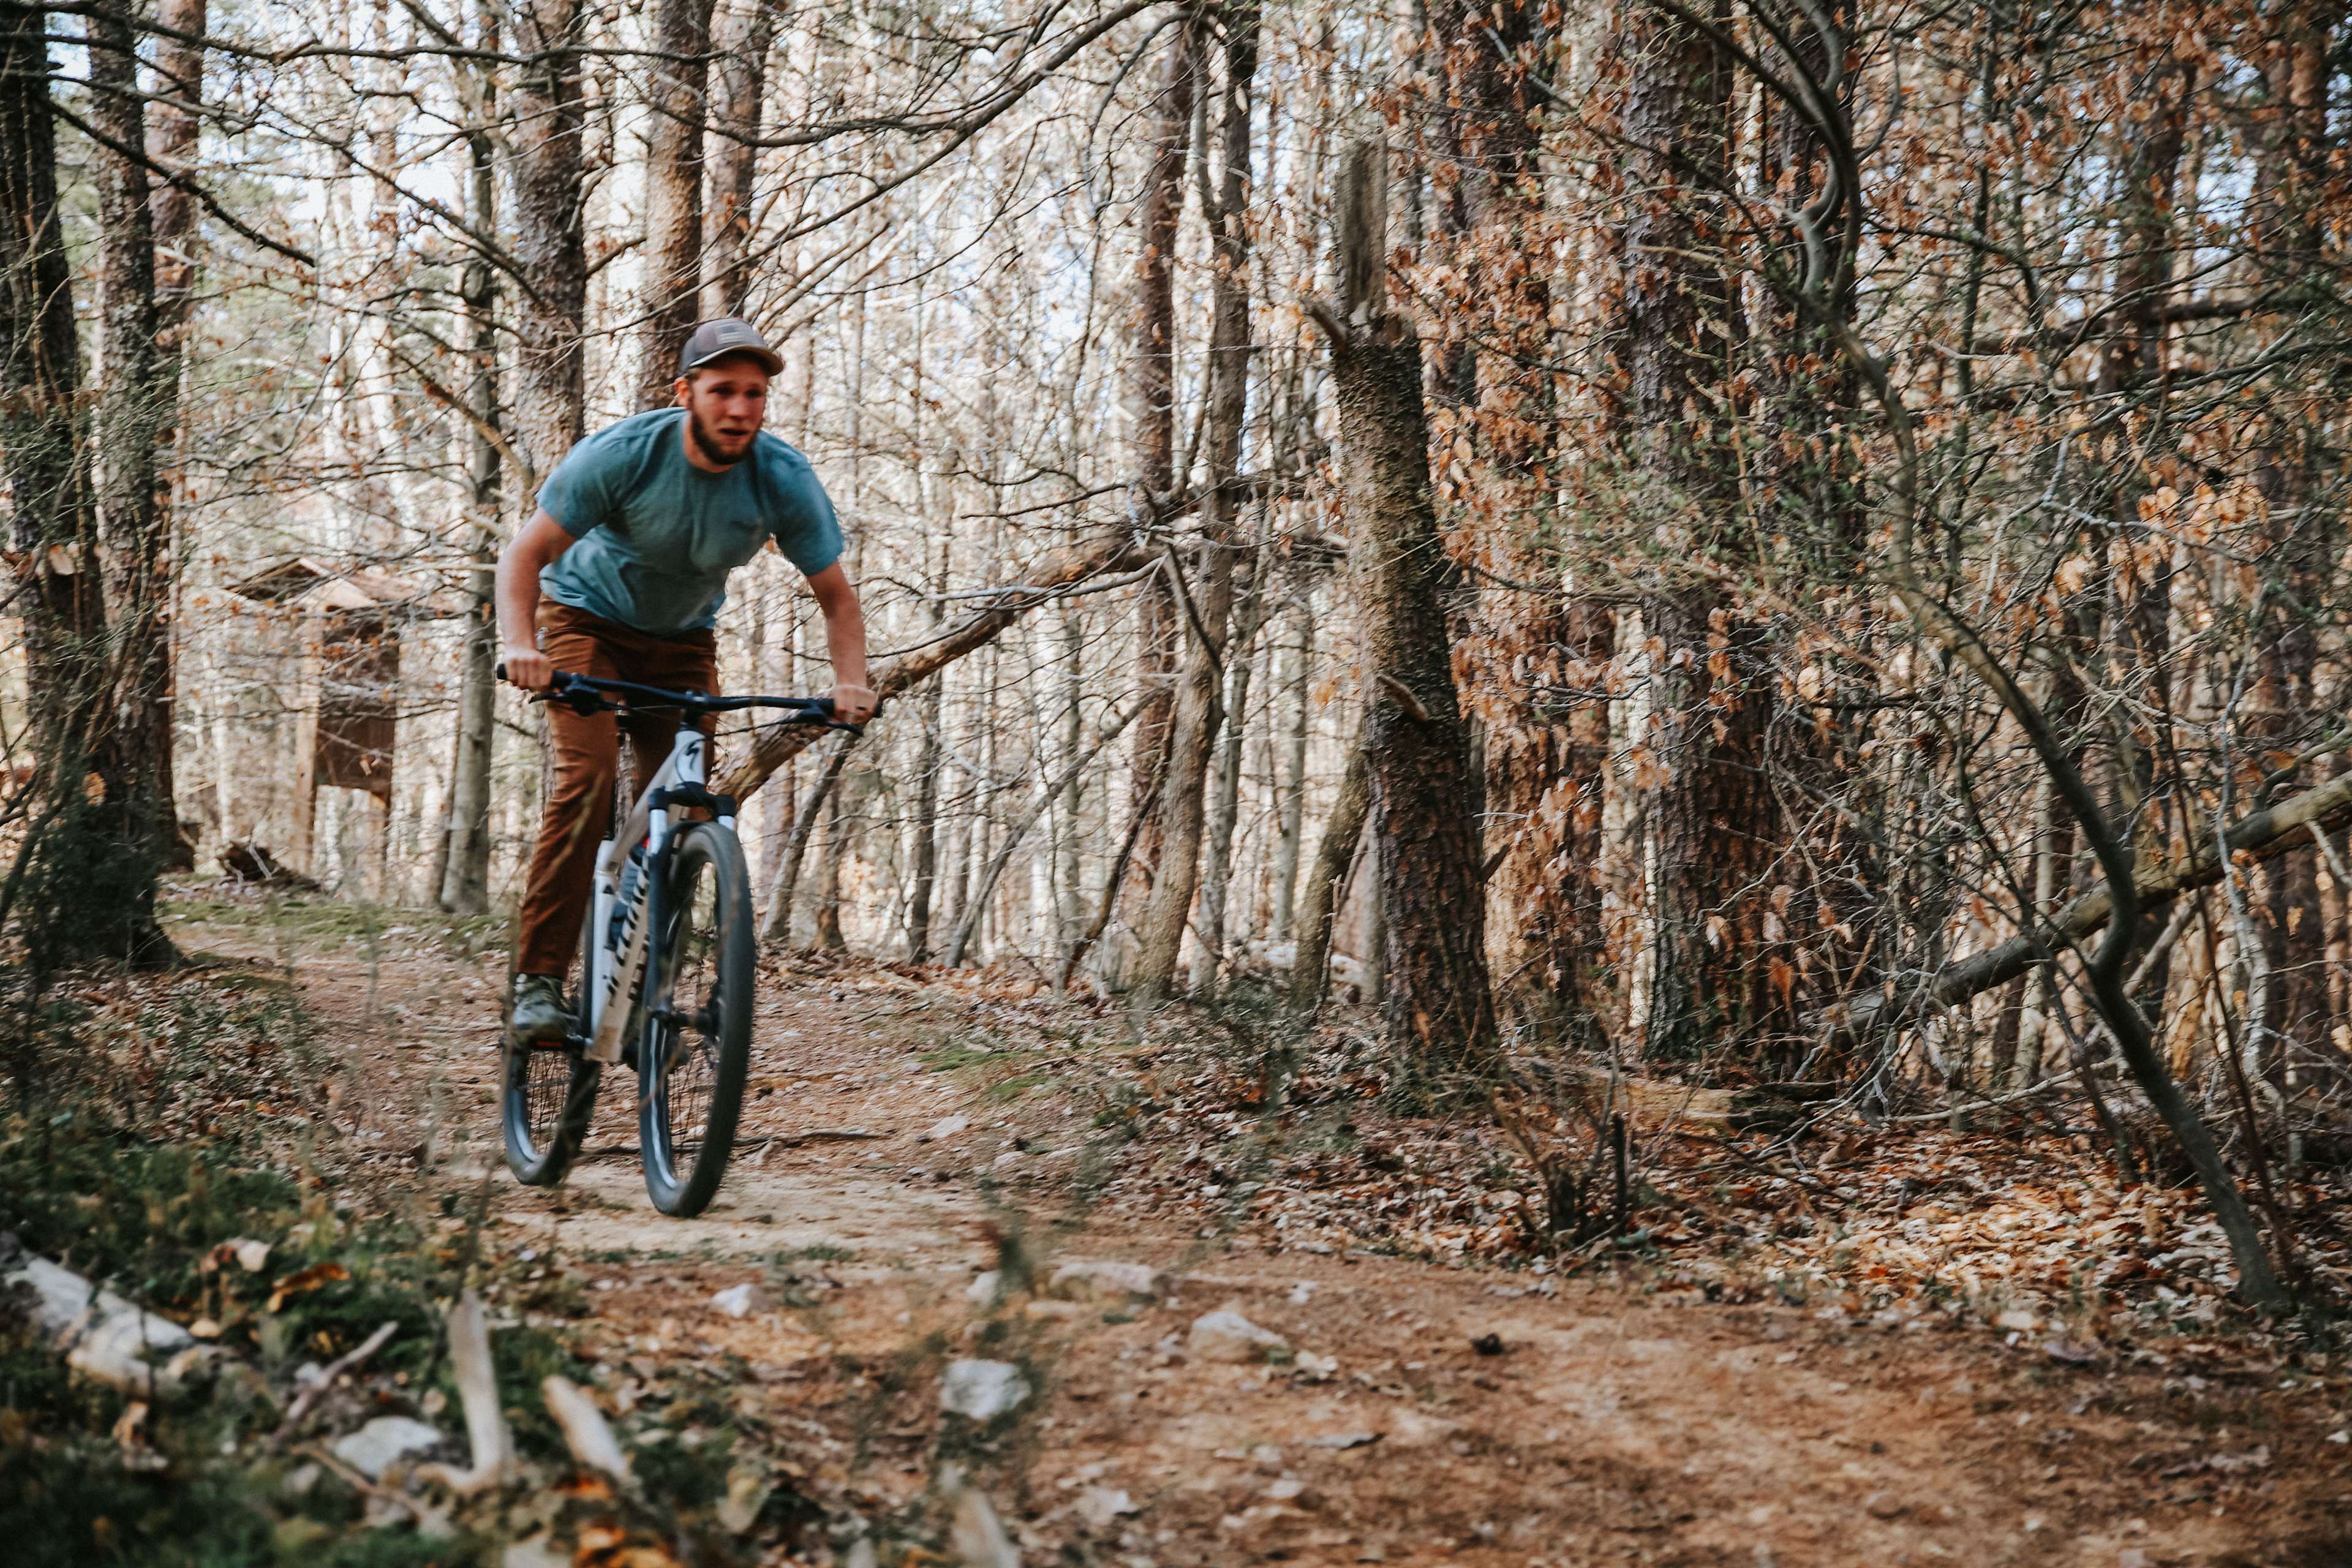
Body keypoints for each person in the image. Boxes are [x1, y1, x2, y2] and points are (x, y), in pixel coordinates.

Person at [496, 317, 874, 1041]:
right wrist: (522, 645)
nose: (740, 410)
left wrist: (850, 683)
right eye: (723, 391)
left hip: (683, 644)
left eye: (755, 395)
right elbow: (524, 557)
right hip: (585, 624)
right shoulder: (623, 455)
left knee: (692, 806)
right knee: (590, 780)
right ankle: (538, 982)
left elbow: (837, 596)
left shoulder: (782, 478)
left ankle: (647, 981)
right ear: (686, 392)